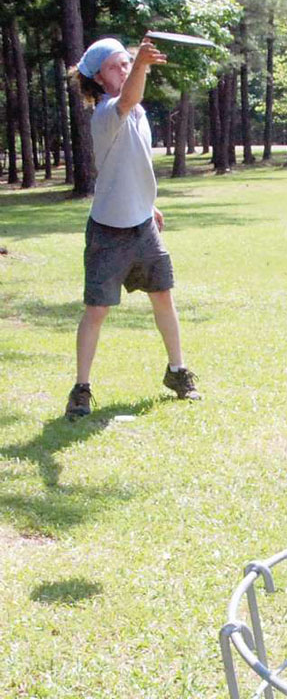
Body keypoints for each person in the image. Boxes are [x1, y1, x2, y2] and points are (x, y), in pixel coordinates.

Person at [65, 36, 201, 419]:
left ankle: (177, 372)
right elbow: (126, 99)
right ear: (97, 78)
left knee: (163, 297)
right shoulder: (107, 112)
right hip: (108, 232)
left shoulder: (139, 114)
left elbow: (128, 164)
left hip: (142, 226)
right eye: (115, 65)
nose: (124, 69)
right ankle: (81, 389)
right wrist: (141, 64)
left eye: (127, 62)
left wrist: (148, 204)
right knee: (97, 310)